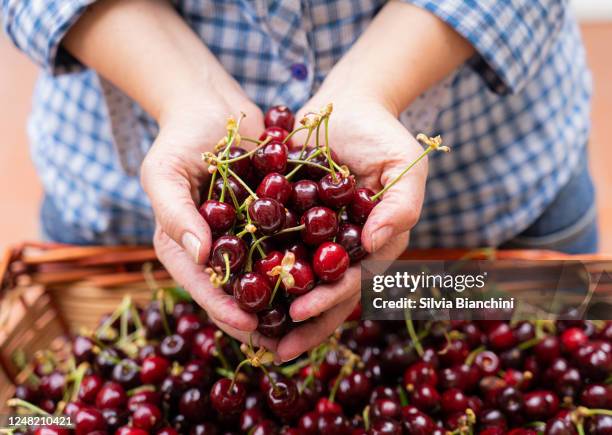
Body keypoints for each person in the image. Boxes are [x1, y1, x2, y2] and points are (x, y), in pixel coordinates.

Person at [2, 0, 595, 361]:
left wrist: (375, 89)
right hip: (129, 218)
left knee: (539, 353)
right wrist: (185, 96)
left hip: (486, 206)